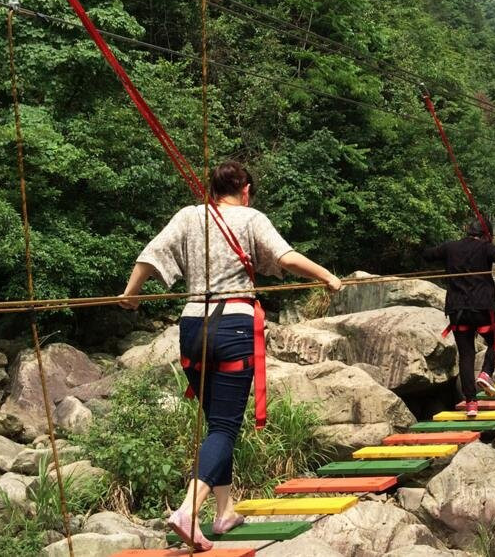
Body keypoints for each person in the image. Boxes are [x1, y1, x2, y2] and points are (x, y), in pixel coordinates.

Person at [118, 161, 341, 551]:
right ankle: (188, 511)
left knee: (217, 425)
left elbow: (150, 255)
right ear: (246, 189)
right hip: (234, 327)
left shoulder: (189, 216)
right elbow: (285, 258)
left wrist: (131, 294)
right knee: (224, 428)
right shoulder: (251, 218)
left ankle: (224, 512)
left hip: (191, 329)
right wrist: (326, 275)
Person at [423, 219, 495, 417]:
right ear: (485, 235)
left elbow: (428, 254)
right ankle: (486, 373)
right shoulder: (485, 247)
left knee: (466, 355)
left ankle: (471, 403)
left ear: (467, 230)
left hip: (457, 310)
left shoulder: (450, 247)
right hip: (481, 308)